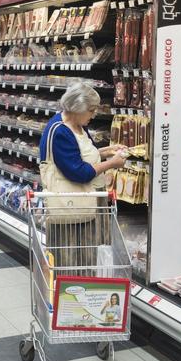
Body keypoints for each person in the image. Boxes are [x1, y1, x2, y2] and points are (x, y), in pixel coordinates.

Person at [39, 82, 127, 268]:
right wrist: (112, 163)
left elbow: (80, 155)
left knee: (93, 257)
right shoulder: (60, 131)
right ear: (76, 108)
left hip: (89, 203)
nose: (94, 115)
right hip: (73, 208)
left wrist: (107, 151)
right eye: (91, 110)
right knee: (74, 261)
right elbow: (79, 172)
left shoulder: (78, 124)